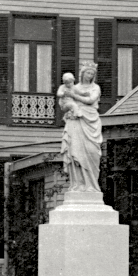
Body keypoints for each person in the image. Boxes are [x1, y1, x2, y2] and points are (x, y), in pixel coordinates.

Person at [59, 62, 103, 193]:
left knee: (92, 152)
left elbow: (91, 100)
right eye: (88, 73)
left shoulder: (95, 87)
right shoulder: (73, 86)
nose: (90, 75)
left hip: (91, 120)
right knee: (75, 151)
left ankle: (91, 185)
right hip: (76, 120)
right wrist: (69, 105)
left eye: (92, 74)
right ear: (82, 73)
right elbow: (63, 105)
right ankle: (78, 185)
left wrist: (74, 96)